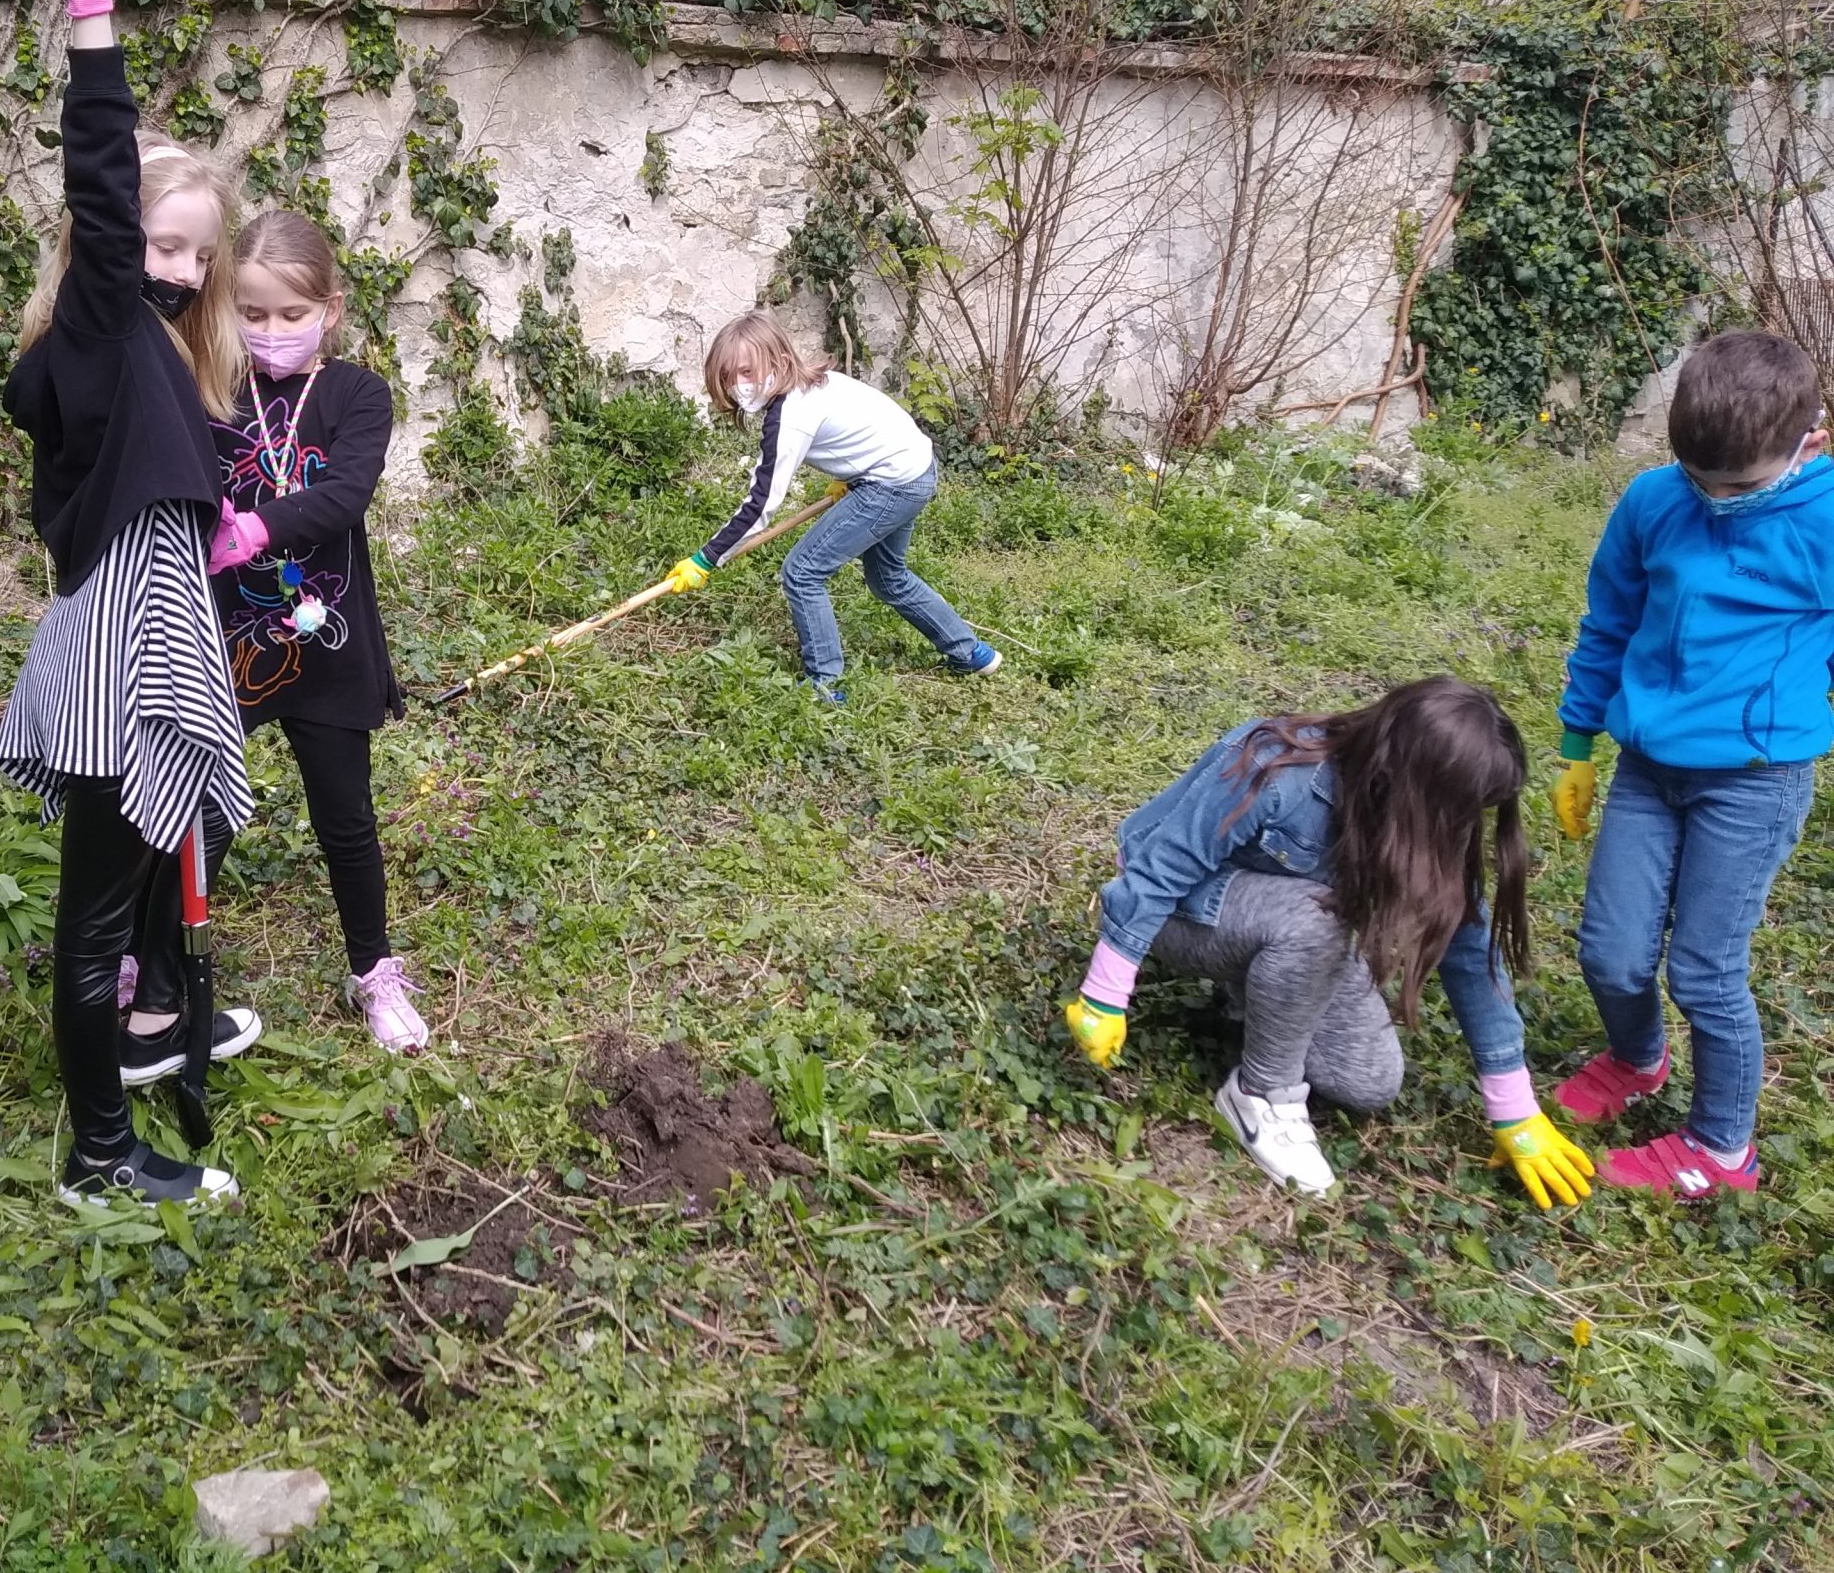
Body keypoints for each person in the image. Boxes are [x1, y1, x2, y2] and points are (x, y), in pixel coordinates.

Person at [0, 0, 261, 1209]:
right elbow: (100, 181)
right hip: (122, 650)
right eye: (164, 245)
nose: (185, 271)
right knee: (91, 921)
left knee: (120, 900)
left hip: (142, 624)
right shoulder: (100, 327)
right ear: (106, 253)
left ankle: (149, 1046)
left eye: (202, 252)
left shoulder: (145, 348)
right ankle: (99, 1161)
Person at [1064, 677, 1595, 1209]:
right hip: (1182, 912)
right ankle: (1260, 1097)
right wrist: (1105, 993)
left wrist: (1514, 1110)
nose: (1463, 825)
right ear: (1406, 778)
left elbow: (1472, 952)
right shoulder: (1277, 767)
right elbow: (1157, 872)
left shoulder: (1428, 816)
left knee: (1368, 1082)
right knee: (1315, 922)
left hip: (1292, 924)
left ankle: (1259, 987)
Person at [1549, 329, 1832, 1200]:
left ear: (1810, 442)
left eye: (1738, 485)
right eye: (1698, 476)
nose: (1714, 498)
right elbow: (1608, 624)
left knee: (1705, 970)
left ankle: (1721, 1148)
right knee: (1610, 952)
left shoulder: (1823, 521)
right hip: (1646, 767)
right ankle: (1639, 1059)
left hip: (1754, 778)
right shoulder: (1652, 501)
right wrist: (1577, 745)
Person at [199, 209, 423, 1055]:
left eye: (291, 313)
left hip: (327, 646)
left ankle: (374, 971)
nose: (270, 330)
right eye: (251, 313)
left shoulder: (356, 394)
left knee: (346, 819)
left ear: (329, 310)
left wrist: (257, 528)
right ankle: (154, 958)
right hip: (227, 639)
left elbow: (346, 493)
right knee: (199, 807)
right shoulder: (210, 386)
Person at [666, 312, 996, 704]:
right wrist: (851, 474)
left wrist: (707, 558)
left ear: (780, 361)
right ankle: (972, 655)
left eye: (748, 371)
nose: (739, 384)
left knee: (802, 572)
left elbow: (761, 504)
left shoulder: (790, 416)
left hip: (892, 482)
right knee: (888, 578)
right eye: (728, 375)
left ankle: (825, 684)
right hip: (914, 467)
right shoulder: (818, 382)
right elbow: (873, 422)